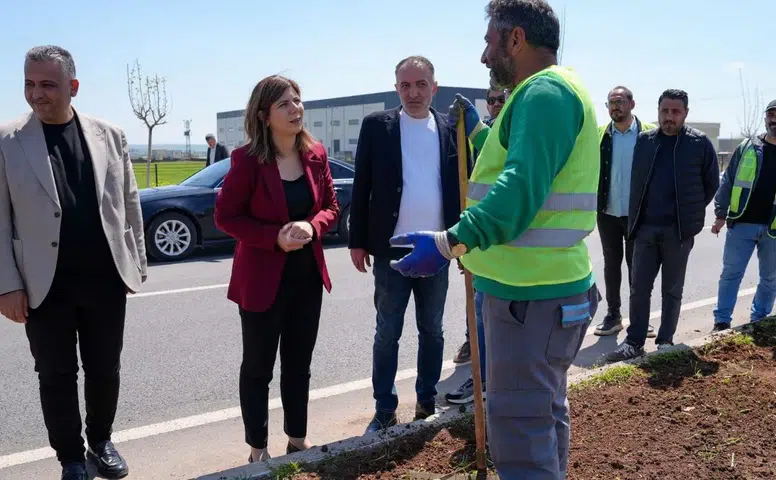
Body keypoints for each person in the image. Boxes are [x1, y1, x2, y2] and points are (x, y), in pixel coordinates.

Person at [388, 1, 602, 477]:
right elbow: (527, 166)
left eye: (489, 42)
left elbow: (520, 190)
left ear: (516, 39)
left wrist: (450, 242)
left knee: (522, 430)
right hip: (548, 291)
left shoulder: (543, 94)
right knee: (542, 414)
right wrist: (483, 133)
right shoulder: (558, 90)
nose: (485, 57)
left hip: (529, 300)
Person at [0, 45, 146, 480]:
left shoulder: (110, 135)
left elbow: (129, 201)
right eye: (29, 84)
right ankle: (70, 457)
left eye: (47, 84)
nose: (36, 94)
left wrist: (136, 262)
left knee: (105, 368)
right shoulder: (7, 141)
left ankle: (101, 441)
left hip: (105, 279)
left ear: (72, 87)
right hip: (43, 284)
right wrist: (6, 284)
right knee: (56, 374)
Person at [214, 75, 339, 463]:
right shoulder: (247, 160)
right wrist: (274, 237)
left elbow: (331, 208)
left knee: (299, 364)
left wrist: (312, 225)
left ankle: (297, 439)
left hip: (306, 279)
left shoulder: (315, 153)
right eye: (285, 103)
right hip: (262, 281)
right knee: (257, 368)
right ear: (265, 115)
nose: (295, 108)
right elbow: (225, 216)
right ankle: (257, 448)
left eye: (298, 100)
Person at [348, 55, 469, 433]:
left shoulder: (451, 128)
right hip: (391, 251)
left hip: (438, 248)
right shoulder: (376, 127)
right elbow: (362, 184)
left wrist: (463, 243)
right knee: (388, 332)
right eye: (405, 85)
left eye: (420, 85)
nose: (413, 93)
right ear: (396, 87)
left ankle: (426, 400)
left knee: (432, 330)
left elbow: (463, 189)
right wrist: (358, 241)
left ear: (434, 86)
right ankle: (384, 409)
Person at [606, 89, 719, 362]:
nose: (669, 117)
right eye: (665, 111)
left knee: (672, 289)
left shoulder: (699, 143)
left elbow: (711, 183)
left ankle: (666, 341)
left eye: (675, 112)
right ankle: (634, 342)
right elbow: (637, 182)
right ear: (658, 112)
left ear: (685, 114)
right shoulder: (645, 141)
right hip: (645, 229)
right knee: (639, 287)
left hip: (678, 232)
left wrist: (688, 214)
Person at [447, 86, 509, 404]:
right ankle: (482, 378)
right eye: (493, 99)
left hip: (505, 241)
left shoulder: (509, 129)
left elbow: (503, 157)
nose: (497, 104)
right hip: (479, 237)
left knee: (499, 317)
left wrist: (475, 131)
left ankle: (491, 381)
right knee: (481, 312)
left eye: (504, 99)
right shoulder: (480, 129)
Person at [595, 86, 657, 337]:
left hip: (638, 214)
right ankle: (613, 315)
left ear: (632, 104)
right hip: (607, 212)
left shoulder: (649, 133)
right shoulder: (601, 135)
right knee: (612, 265)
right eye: (610, 102)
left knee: (638, 266)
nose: (614, 107)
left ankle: (640, 318)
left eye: (619, 101)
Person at [710, 99, 776, 331]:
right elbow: (728, 182)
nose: (774, 119)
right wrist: (720, 214)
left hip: (774, 230)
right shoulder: (747, 147)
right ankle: (722, 320)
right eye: (771, 114)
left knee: (770, 279)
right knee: (731, 274)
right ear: (766, 117)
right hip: (742, 223)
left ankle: (760, 319)